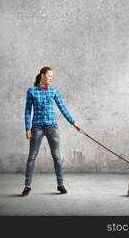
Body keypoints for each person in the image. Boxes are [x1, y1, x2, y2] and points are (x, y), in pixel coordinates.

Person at [21, 66, 81, 196]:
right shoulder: (31, 91)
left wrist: (73, 122)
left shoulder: (53, 91)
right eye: (49, 76)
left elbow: (62, 108)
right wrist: (27, 128)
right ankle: (27, 186)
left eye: (52, 77)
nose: (51, 79)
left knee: (57, 156)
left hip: (52, 127)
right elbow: (27, 111)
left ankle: (60, 185)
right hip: (36, 127)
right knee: (32, 157)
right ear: (42, 75)